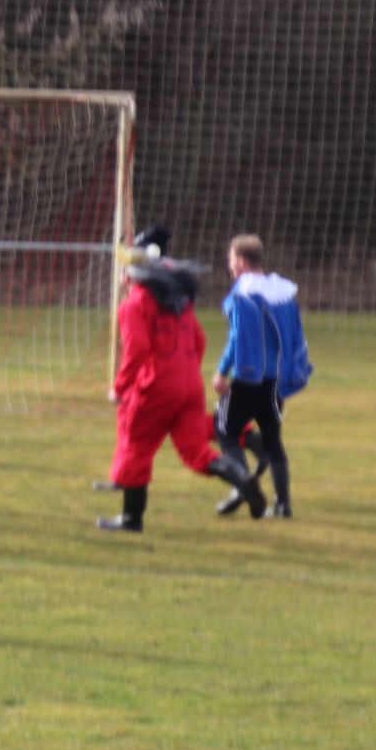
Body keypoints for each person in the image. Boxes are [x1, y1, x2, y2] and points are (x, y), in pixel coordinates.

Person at [100, 226, 262, 533]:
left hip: (156, 386)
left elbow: (137, 348)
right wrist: (183, 372)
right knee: (195, 451)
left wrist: (120, 388)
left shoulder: (134, 304)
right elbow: (199, 341)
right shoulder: (180, 304)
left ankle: (132, 518)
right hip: (189, 385)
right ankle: (242, 478)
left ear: (131, 274)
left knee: (136, 446)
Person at [213, 234, 312, 520]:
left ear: (242, 262)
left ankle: (244, 486)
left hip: (249, 379)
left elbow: (237, 338)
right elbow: (295, 335)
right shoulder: (283, 293)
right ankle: (283, 504)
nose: (229, 266)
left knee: (224, 429)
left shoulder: (243, 294)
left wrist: (222, 371)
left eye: (231, 260)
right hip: (276, 382)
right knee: (273, 441)